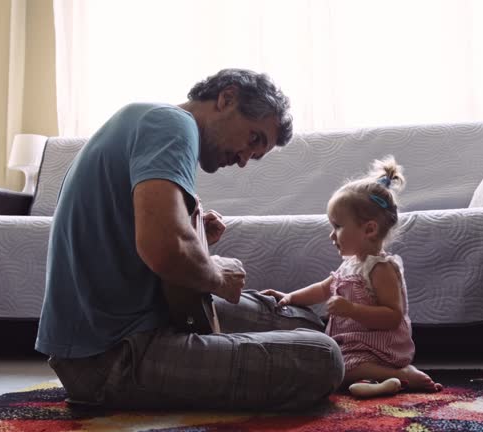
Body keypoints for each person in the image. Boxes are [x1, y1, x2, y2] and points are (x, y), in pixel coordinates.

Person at [35, 69, 344, 410]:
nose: (243, 160)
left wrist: (197, 241)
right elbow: (165, 251)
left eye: (254, 155)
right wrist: (217, 274)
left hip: (133, 323)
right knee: (324, 357)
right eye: (253, 139)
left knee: (299, 319)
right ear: (227, 99)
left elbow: (146, 249)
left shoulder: (148, 119)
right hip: (109, 358)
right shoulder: (173, 126)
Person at [262, 156, 443, 398]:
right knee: (329, 363)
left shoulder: (381, 268)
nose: (331, 235)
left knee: (337, 368)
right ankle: (378, 382)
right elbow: (324, 288)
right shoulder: (350, 264)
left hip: (379, 349)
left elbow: (392, 316)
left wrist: (351, 309)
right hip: (353, 345)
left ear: (369, 229)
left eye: (337, 226)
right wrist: (290, 297)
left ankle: (402, 374)